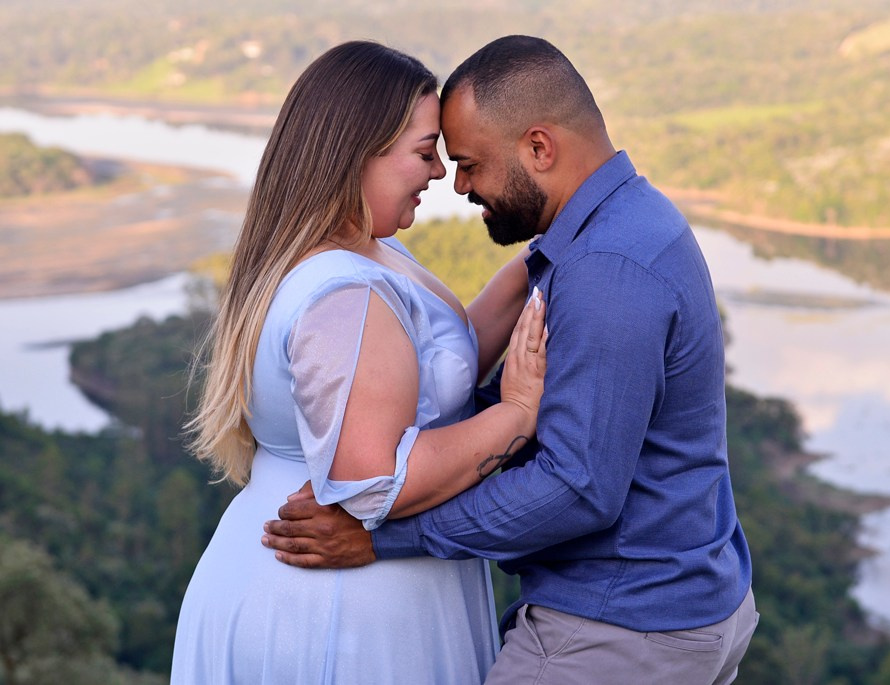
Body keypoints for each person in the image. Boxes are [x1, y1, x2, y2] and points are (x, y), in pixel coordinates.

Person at [263, 34, 758, 685]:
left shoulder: (606, 269)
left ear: (539, 148)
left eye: (470, 163)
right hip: (670, 609)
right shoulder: (624, 223)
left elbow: (576, 487)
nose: (459, 183)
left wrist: (381, 537)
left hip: (617, 630)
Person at [170, 40, 549, 684]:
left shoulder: (357, 250)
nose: (439, 172)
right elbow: (373, 483)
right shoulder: (345, 293)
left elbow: (440, 363)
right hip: (335, 618)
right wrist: (516, 413)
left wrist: (546, 249)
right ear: (359, 152)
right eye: (424, 153)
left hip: (339, 595)